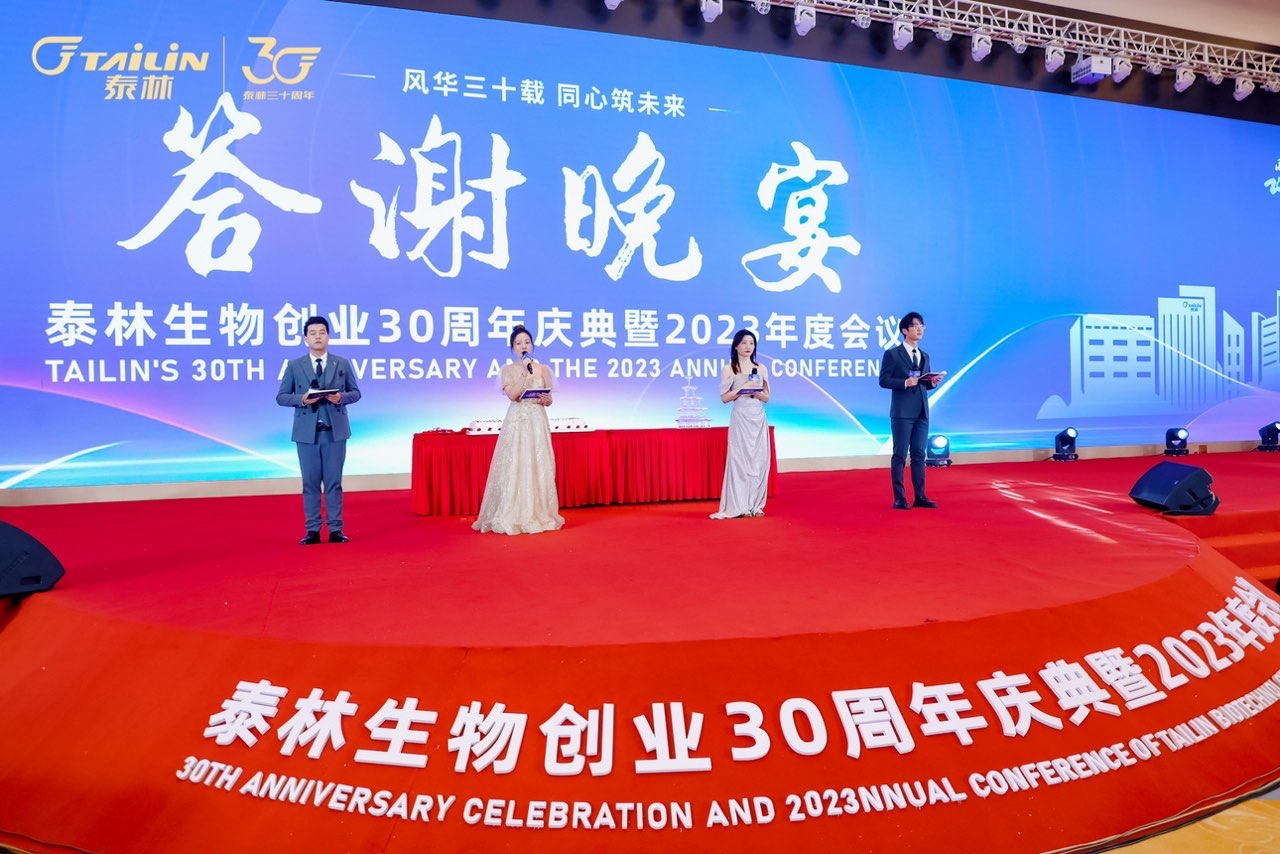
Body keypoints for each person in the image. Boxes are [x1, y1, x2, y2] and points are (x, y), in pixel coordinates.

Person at [276, 315, 362, 543]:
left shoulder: (341, 363)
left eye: (322, 332)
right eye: (312, 333)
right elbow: (281, 397)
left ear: (328, 336)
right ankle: (312, 530)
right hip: (307, 434)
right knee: (310, 483)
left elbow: (356, 393)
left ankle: (336, 530)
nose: (317, 337)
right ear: (305, 338)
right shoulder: (294, 366)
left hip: (335, 432)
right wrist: (302, 399)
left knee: (334, 483)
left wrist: (340, 397)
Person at [472, 325, 565, 535]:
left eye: (527, 342)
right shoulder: (507, 370)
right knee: (516, 462)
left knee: (538, 462)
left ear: (533, 345)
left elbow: (549, 399)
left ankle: (539, 511)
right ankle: (513, 512)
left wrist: (547, 400)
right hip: (517, 420)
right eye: (519, 343)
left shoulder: (543, 369)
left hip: (537, 420)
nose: (524, 346)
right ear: (512, 347)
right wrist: (524, 373)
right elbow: (513, 395)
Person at [879, 311, 942, 510]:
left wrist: (932, 382)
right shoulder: (892, 354)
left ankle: (920, 496)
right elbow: (884, 380)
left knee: (919, 455)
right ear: (905, 330)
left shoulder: (924, 355)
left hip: (922, 411)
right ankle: (899, 498)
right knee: (899, 455)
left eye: (922, 326)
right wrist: (905, 382)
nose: (920, 329)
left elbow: (923, 383)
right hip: (902, 413)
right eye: (916, 326)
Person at [711, 329, 771, 519]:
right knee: (740, 460)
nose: (748, 346)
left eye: (751, 343)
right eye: (744, 342)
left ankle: (756, 505)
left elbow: (767, 397)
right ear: (736, 345)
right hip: (741, 416)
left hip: (758, 417)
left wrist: (758, 393)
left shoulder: (761, 368)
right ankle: (740, 505)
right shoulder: (729, 369)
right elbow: (724, 398)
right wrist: (742, 389)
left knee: (758, 460)